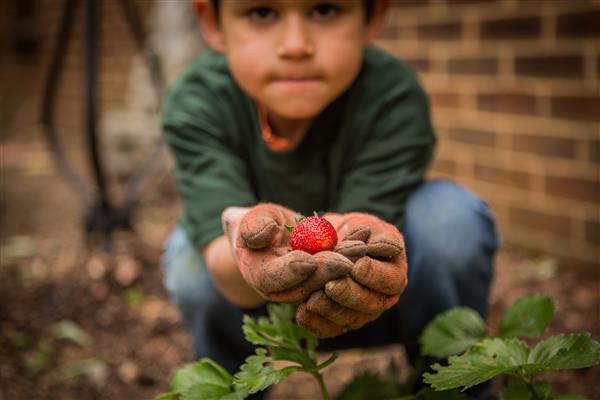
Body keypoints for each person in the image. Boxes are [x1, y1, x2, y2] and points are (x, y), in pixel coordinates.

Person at [160, 0, 500, 398]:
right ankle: (230, 391)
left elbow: (368, 242)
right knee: (190, 257)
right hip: (258, 310)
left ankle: (455, 383)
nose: (295, 45)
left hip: (381, 296)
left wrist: (351, 243)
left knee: (451, 218)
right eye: (261, 13)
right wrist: (240, 240)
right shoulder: (198, 101)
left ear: (372, 17)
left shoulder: (392, 94)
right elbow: (223, 263)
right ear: (212, 22)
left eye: (324, 10)